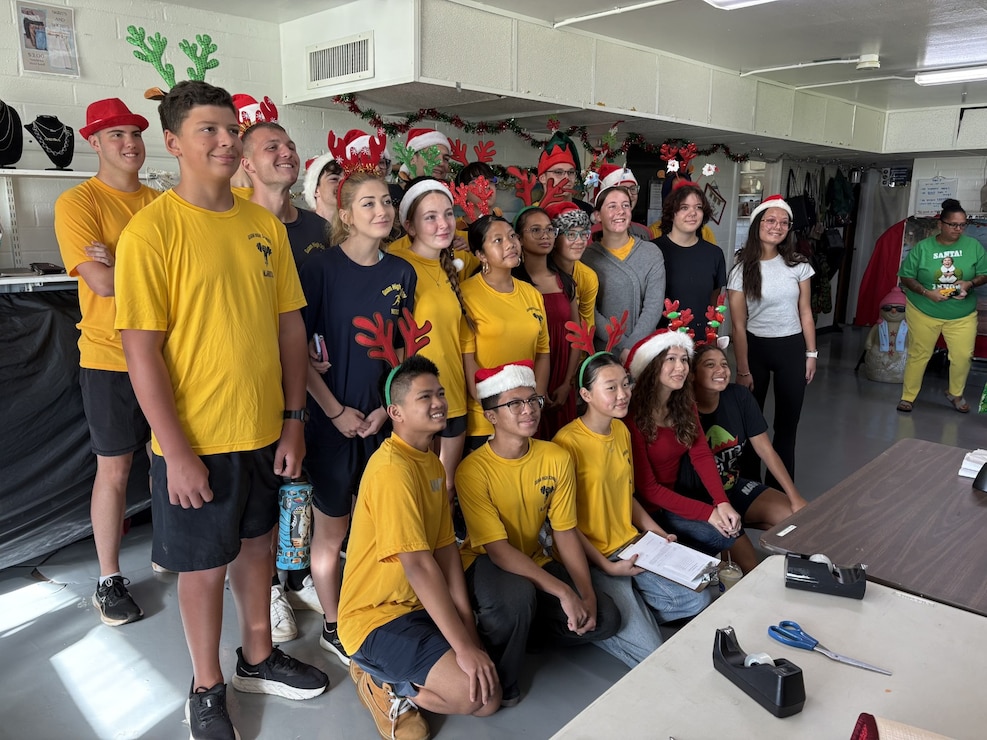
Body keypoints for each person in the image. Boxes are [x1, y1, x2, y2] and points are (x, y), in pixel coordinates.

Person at [115, 81, 328, 740]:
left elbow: (290, 330)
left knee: (258, 548)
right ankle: (206, 686)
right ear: (173, 143)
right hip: (196, 441)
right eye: (207, 130)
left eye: (230, 129)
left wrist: (294, 418)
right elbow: (140, 352)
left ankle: (256, 659)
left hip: (265, 430)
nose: (225, 141)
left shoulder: (262, 225)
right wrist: (174, 450)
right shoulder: (151, 233)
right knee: (203, 568)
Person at [339, 355, 501, 740]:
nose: (439, 402)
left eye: (441, 393)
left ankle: (397, 674)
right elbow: (418, 566)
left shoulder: (431, 464)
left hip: (418, 606)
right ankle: (378, 681)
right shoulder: (392, 470)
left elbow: (446, 551)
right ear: (395, 411)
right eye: (425, 396)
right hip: (375, 619)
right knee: (472, 694)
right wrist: (464, 648)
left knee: (489, 698)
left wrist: (468, 632)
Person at [299, 166, 417, 667]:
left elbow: (401, 354)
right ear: (344, 213)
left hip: (379, 419)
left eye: (387, 202)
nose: (382, 211)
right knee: (332, 531)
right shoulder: (321, 269)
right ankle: (332, 623)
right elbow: (296, 352)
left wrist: (381, 412)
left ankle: (378, 610)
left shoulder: (401, 273)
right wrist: (336, 411)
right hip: (331, 421)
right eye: (368, 203)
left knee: (381, 528)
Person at [455, 361, 621, 706]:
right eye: (515, 403)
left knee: (604, 617)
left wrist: (585, 594)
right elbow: (498, 551)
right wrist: (563, 592)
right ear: (492, 416)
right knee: (515, 601)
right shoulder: (472, 471)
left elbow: (564, 532)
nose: (529, 410)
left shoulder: (555, 458)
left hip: (534, 558)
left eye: (533, 400)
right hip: (485, 562)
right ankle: (504, 671)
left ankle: (522, 632)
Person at [54, 97, 159, 627]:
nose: (129, 143)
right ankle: (109, 578)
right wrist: (131, 272)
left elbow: (182, 284)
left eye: (135, 133)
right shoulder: (78, 203)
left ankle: (174, 549)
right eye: (115, 135)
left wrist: (121, 262)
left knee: (172, 459)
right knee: (115, 468)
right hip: (109, 357)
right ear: (94, 143)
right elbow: (99, 282)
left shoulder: (161, 203)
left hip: (168, 357)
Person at [554, 351, 711, 667]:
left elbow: (626, 497)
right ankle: (617, 612)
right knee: (651, 652)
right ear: (585, 395)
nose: (623, 394)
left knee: (700, 597)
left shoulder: (622, 431)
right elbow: (564, 526)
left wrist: (656, 532)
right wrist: (609, 568)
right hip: (595, 560)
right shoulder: (565, 444)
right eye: (610, 387)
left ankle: (631, 602)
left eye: (625, 384)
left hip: (633, 545)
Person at [241, 121, 329, 642]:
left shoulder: (318, 229)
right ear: (246, 163)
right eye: (271, 147)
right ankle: (268, 587)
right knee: (264, 489)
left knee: (300, 480)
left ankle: (295, 574)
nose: (287, 153)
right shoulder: (236, 222)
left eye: (291, 145)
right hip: (253, 380)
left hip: (311, 378)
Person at [683, 342, 808, 573]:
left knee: (798, 519)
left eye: (724, 364)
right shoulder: (683, 409)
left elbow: (766, 451)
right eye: (710, 365)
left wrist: (796, 498)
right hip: (705, 503)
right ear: (691, 374)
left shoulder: (739, 396)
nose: (721, 370)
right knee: (749, 566)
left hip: (733, 487)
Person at [625, 328, 743, 559]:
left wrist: (722, 502)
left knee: (726, 534)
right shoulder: (632, 416)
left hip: (671, 502)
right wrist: (708, 513)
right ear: (651, 365)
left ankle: (680, 555)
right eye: (671, 359)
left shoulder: (683, 403)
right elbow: (647, 490)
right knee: (717, 533)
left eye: (684, 360)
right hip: (643, 511)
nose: (681, 367)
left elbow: (701, 454)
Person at [394, 178, 472, 513]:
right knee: (413, 487)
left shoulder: (457, 265)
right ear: (409, 225)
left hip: (452, 393)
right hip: (414, 397)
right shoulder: (396, 265)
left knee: (446, 485)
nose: (443, 224)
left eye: (448, 214)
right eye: (430, 217)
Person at [727, 195, 816, 486]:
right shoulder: (741, 269)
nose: (777, 227)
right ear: (758, 224)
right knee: (754, 425)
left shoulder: (798, 265)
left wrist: (811, 354)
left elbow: (805, 312)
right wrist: (742, 368)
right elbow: (738, 325)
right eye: (770, 220)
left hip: (791, 348)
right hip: (755, 349)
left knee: (786, 426)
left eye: (783, 222)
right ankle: (751, 485)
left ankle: (780, 489)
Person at [460, 216, 550, 446]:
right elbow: (468, 360)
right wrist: (495, 407)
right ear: (480, 254)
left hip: (526, 416)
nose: (510, 244)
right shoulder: (465, 295)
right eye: (497, 240)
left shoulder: (532, 294)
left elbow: (542, 352)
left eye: (512, 236)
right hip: (486, 417)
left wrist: (533, 403)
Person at [897, 198, 987, 413]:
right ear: (941, 224)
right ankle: (908, 396)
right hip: (924, 310)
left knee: (963, 356)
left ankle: (955, 394)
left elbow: (984, 274)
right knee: (920, 354)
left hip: (961, 313)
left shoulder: (973, 246)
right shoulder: (923, 248)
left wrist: (969, 283)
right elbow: (906, 277)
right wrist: (927, 293)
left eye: (962, 224)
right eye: (953, 224)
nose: (959, 229)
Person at [513, 207, 580, 437]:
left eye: (550, 230)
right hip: (526, 376)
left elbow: (577, 335)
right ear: (519, 238)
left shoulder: (565, 281)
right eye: (535, 230)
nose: (545, 236)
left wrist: (567, 384)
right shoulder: (513, 283)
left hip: (562, 376)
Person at [582, 186, 666, 361]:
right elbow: (589, 309)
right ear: (597, 215)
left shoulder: (652, 253)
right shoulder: (586, 257)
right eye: (612, 206)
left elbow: (653, 307)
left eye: (625, 205)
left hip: (643, 351)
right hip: (601, 352)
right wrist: (620, 343)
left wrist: (632, 347)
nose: (620, 211)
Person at [654, 182, 726, 335]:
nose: (693, 213)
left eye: (698, 207)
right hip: (663, 345)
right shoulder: (653, 251)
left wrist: (712, 341)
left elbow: (714, 305)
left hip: (701, 342)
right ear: (671, 213)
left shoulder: (715, 254)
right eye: (684, 207)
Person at [545, 200, 599, 333]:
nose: (580, 241)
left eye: (583, 234)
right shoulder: (540, 272)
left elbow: (585, 329)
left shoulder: (588, 277)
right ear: (554, 238)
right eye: (571, 234)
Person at [536, 132, 594, 216]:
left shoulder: (587, 211)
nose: (567, 178)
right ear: (542, 178)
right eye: (558, 172)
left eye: (571, 172)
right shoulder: (532, 215)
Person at [590, 164, 651, 241]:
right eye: (623, 189)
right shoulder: (589, 235)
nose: (629, 195)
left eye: (633, 188)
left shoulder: (645, 232)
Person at [302, 153, 343, 224]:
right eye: (334, 179)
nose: (343, 184)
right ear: (315, 190)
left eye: (347, 179)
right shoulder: (303, 227)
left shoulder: (358, 228)